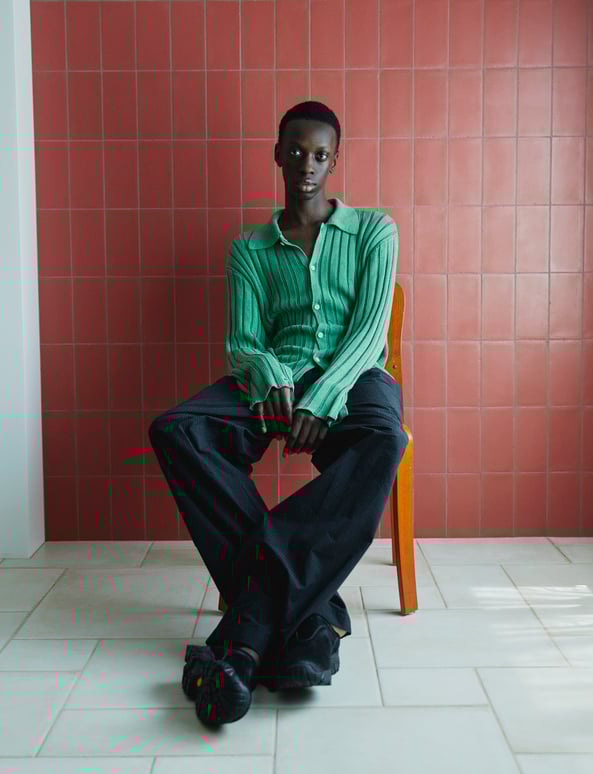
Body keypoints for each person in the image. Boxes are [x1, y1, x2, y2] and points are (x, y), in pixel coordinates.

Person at [148, 100, 408, 725]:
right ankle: (313, 620)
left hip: (354, 378)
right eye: (295, 152)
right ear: (277, 156)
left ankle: (250, 631)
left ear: (335, 160)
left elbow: (369, 332)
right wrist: (272, 376)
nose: (306, 165)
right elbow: (243, 342)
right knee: (178, 430)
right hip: (277, 381)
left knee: (384, 438)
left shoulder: (375, 230)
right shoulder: (249, 248)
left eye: (319, 154)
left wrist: (323, 396)